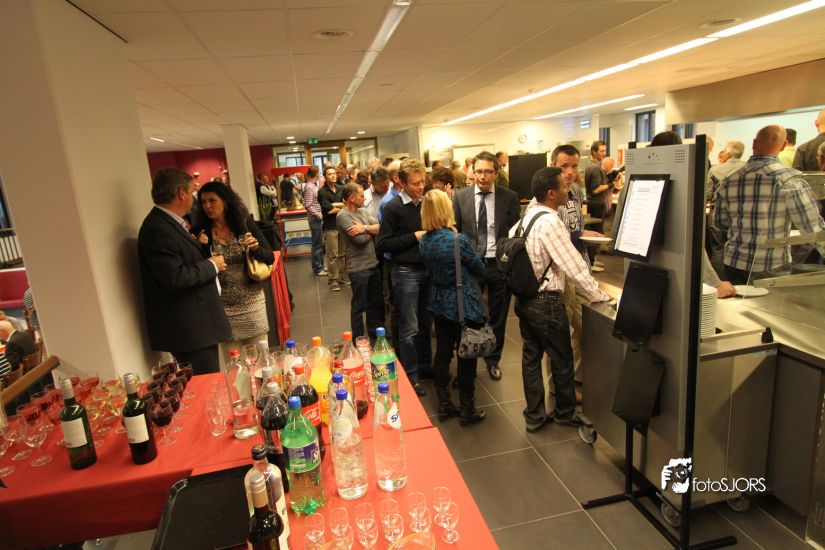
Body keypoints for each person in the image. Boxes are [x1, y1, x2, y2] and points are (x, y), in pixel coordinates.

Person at [514, 167, 610, 433]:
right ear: (551, 193)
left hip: (525, 298)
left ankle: (534, 415)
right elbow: (573, 265)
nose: (568, 189)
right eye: (564, 187)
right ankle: (565, 413)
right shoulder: (551, 223)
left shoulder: (526, 218)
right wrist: (597, 294)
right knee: (562, 357)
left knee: (531, 358)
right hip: (546, 301)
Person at [138, 168, 231, 375]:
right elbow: (173, 277)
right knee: (205, 384)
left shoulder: (170, 224)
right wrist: (212, 265)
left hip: (196, 326)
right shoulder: (157, 228)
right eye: (192, 192)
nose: (194, 199)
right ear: (181, 193)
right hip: (190, 330)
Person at [713, 125, 825, 284]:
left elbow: (720, 222)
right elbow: (811, 227)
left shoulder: (729, 180)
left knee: (738, 300)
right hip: (771, 265)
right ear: (784, 145)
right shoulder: (790, 179)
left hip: (734, 262)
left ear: (754, 143)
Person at [420, 189, 486, 426]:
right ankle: (468, 410)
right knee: (467, 355)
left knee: (443, 352)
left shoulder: (424, 241)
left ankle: (445, 404)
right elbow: (479, 269)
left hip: (439, 302)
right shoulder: (458, 241)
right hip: (463, 303)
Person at [452, 151, 520, 382]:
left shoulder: (509, 197)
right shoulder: (460, 196)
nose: (483, 176)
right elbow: (456, 230)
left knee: (499, 315)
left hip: (498, 264)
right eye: (479, 171)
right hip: (472, 264)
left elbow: (514, 234)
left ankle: (493, 360)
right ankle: (467, 363)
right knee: (469, 314)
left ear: (496, 173)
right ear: (472, 171)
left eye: (488, 172)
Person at [194, 181, 274, 361]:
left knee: (261, 361)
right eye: (203, 202)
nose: (207, 206)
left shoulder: (244, 224)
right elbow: (196, 267)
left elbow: (269, 257)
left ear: (225, 201)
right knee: (234, 364)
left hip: (252, 303)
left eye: (212, 200)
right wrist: (199, 247)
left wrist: (255, 248)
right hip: (223, 307)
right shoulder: (201, 231)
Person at [376, 158, 431, 397]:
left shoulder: (426, 203)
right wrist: (414, 237)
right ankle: (411, 375)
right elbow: (383, 244)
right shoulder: (393, 207)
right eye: (415, 183)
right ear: (403, 183)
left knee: (426, 324)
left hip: (427, 270)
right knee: (409, 328)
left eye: (422, 182)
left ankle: (426, 368)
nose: (420, 187)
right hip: (406, 272)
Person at [336, 183, 382, 340]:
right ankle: (359, 338)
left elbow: (381, 227)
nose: (364, 199)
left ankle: (375, 336)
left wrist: (365, 228)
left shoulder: (362, 211)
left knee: (374, 305)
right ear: (351, 198)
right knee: (358, 306)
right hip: (358, 268)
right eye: (361, 196)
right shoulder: (343, 216)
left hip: (373, 264)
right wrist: (371, 229)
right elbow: (360, 240)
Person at [318, 166, 347, 291]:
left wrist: (336, 205)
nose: (333, 175)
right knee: (333, 255)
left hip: (342, 225)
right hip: (330, 226)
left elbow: (347, 204)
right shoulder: (322, 192)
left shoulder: (341, 188)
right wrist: (341, 206)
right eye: (330, 174)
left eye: (334, 173)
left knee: (342, 254)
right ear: (325, 177)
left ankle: (340, 276)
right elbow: (329, 210)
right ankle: (333, 280)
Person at [302, 166, 327, 277]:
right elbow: (308, 205)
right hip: (315, 220)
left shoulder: (313, 185)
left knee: (320, 244)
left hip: (318, 219)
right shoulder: (309, 187)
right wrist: (319, 215)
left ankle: (320, 265)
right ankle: (317, 269)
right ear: (317, 174)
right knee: (317, 245)